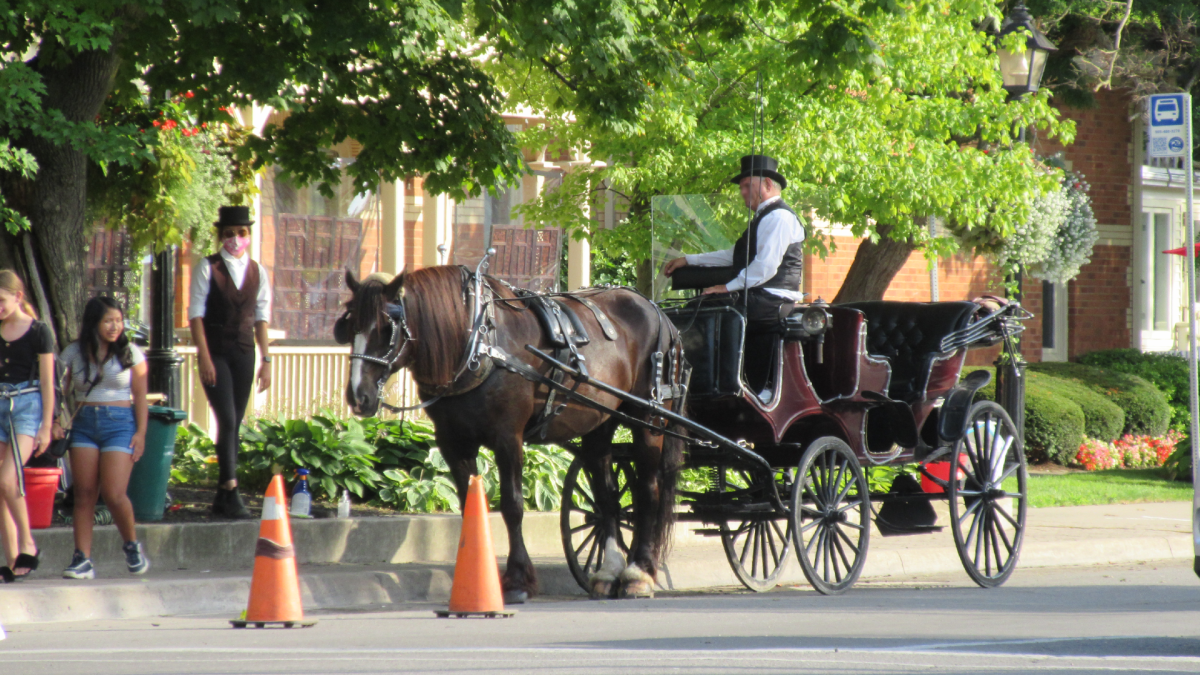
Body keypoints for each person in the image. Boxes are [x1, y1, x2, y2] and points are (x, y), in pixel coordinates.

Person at [662, 154, 805, 395]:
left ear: (768, 185)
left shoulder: (779, 217)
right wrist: (689, 260)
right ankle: (705, 382)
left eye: (748, 185)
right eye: (742, 187)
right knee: (696, 306)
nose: (742, 192)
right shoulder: (764, 217)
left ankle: (717, 385)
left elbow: (765, 266)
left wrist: (727, 287)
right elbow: (733, 255)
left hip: (771, 299)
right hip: (761, 296)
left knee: (702, 309)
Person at [188, 206, 272, 519]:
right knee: (225, 416)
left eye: (241, 232)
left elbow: (261, 318)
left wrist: (266, 360)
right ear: (220, 236)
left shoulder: (258, 272)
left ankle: (224, 493)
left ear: (248, 235)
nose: (235, 238)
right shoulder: (207, 267)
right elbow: (196, 314)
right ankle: (232, 488)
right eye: (229, 233)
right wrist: (204, 356)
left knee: (236, 420)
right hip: (216, 352)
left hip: (244, 352)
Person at [57, 296, 150, 579]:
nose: (115, 326)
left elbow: (141, 397)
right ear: (94, 323)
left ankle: (131, 545)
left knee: (113, 493)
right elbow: (59, 389)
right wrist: (57, 420)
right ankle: (82, 558)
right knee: (84, 493)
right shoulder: (73, 352)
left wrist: (141, 433)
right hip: (84, 423)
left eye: (119, 321)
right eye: (108, 320)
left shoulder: (131, 353)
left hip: (119, 424)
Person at [0, 270, 54, 583]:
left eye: (2, 301)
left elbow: (48, 381)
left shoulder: (38, 331)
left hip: (27, 404)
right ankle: (9, 559)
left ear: (18, 297)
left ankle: (28, 542)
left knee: (9, 479)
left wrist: (46, 425)